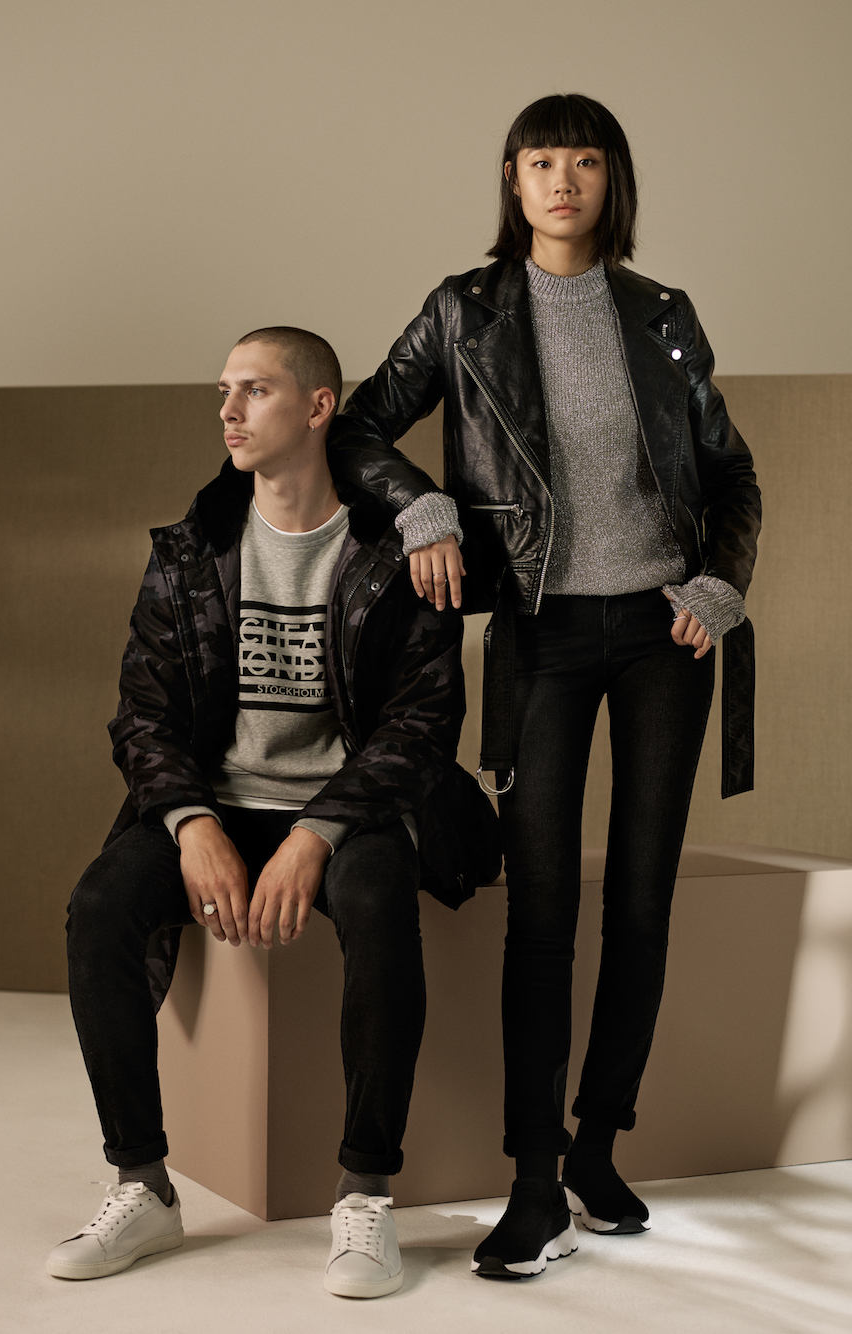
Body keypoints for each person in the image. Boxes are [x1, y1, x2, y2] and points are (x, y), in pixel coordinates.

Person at [326, 93, 761, 1278]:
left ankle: (598, 1150)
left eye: (584, 161)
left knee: (642, 901)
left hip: (666, 634)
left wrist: (718, 582)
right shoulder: (461, 310)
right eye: (538, 162)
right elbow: (359, 428)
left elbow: (729, 472)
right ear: (511, 181)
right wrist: (420, 503)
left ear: (613, 180)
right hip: (540, 633)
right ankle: (533, 1181)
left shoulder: (662, 314)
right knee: (543, 910)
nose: (561, 181)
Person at [49, 327, 470, 1298]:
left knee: (378, 903)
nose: (229, 411)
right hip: (218, 802)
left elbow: (423, 723)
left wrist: (315, 832)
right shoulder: (190, 551)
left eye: (255, 390)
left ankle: (365, 1192)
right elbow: (143, 715)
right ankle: (144, 1184)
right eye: (223, 391)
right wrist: (193, 825)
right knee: (99, 907)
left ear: (319, 408)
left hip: (350, 806)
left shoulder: (395, 552)